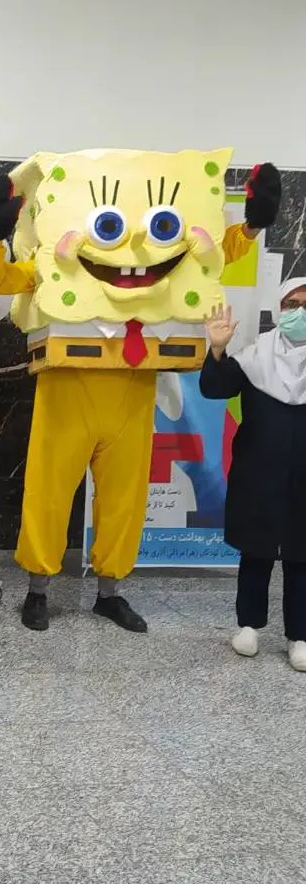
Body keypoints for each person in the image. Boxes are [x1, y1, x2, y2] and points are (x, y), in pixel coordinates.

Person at [0, 153, 280, 633]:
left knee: (125, 498)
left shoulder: (165, 265)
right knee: (49, 492)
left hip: (133, 388)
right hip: (67, 388)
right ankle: (37, 590)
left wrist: (253, 226)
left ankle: (109, 592)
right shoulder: (53, 265)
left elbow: (214, 256)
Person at [200, 287, 306, 671]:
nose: (299, 313)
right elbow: (214, 389)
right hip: (258, 471)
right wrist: (217, 349)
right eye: (292, 304)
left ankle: (300, 635)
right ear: (280, 309)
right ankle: (248, 625)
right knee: (256, 550)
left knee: (301, 555)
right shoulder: (255, 356)